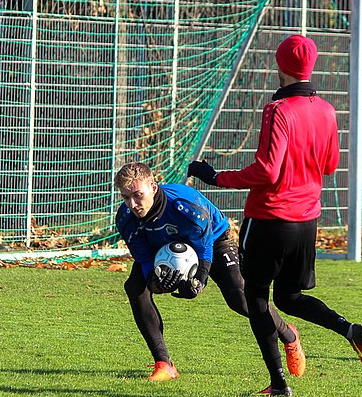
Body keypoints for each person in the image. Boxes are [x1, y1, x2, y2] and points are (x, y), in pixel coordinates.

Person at [187, 34, 362, 397]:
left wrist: (215, 177)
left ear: (280, 66)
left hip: (270, 219)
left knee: (257, 298)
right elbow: (330, 165)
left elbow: (267, 171)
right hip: (307, 221)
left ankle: (278, 384)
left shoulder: (278, 110)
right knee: (290, 297)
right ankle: (350, 329)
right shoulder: (327, 110)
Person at [114, 162, 305, 382]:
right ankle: (164, 364)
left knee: (241, 298)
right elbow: (144, 257)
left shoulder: (185, 205)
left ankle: (289, 336)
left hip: (213, 240)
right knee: (136, 287)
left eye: (138, 195)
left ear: (153, 187)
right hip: (164, 248)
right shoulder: (125, 218)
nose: (132, 204)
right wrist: (153, 280)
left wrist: (198, 282)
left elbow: (204, 247)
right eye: (126, 197)